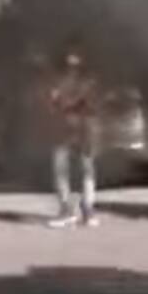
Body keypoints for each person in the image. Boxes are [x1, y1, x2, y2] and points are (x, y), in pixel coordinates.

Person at [46, 50, 99, 229]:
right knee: (64, 167)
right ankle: (72, 209)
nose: (72, 59)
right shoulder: (61, 79)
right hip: (69, 127)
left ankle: (84, 209)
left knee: (82, 168)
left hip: (80, 127)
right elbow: (54, 102)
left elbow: (81, 102)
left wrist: (61, 101)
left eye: (75, 55)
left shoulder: (87, 80)